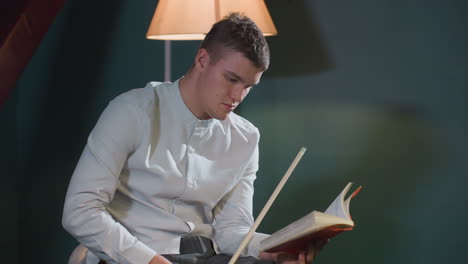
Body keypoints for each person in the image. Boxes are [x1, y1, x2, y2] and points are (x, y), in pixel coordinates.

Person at [62, 13, 323, 264]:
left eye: (248, 86)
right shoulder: (131, 111)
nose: (237, 95)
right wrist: (150, 261)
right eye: (231, 79)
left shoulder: (246, 138)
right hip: (135, 256)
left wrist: (275, 250)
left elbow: (231, 230)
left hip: (206, 257)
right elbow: (80, 211)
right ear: (202, 60)